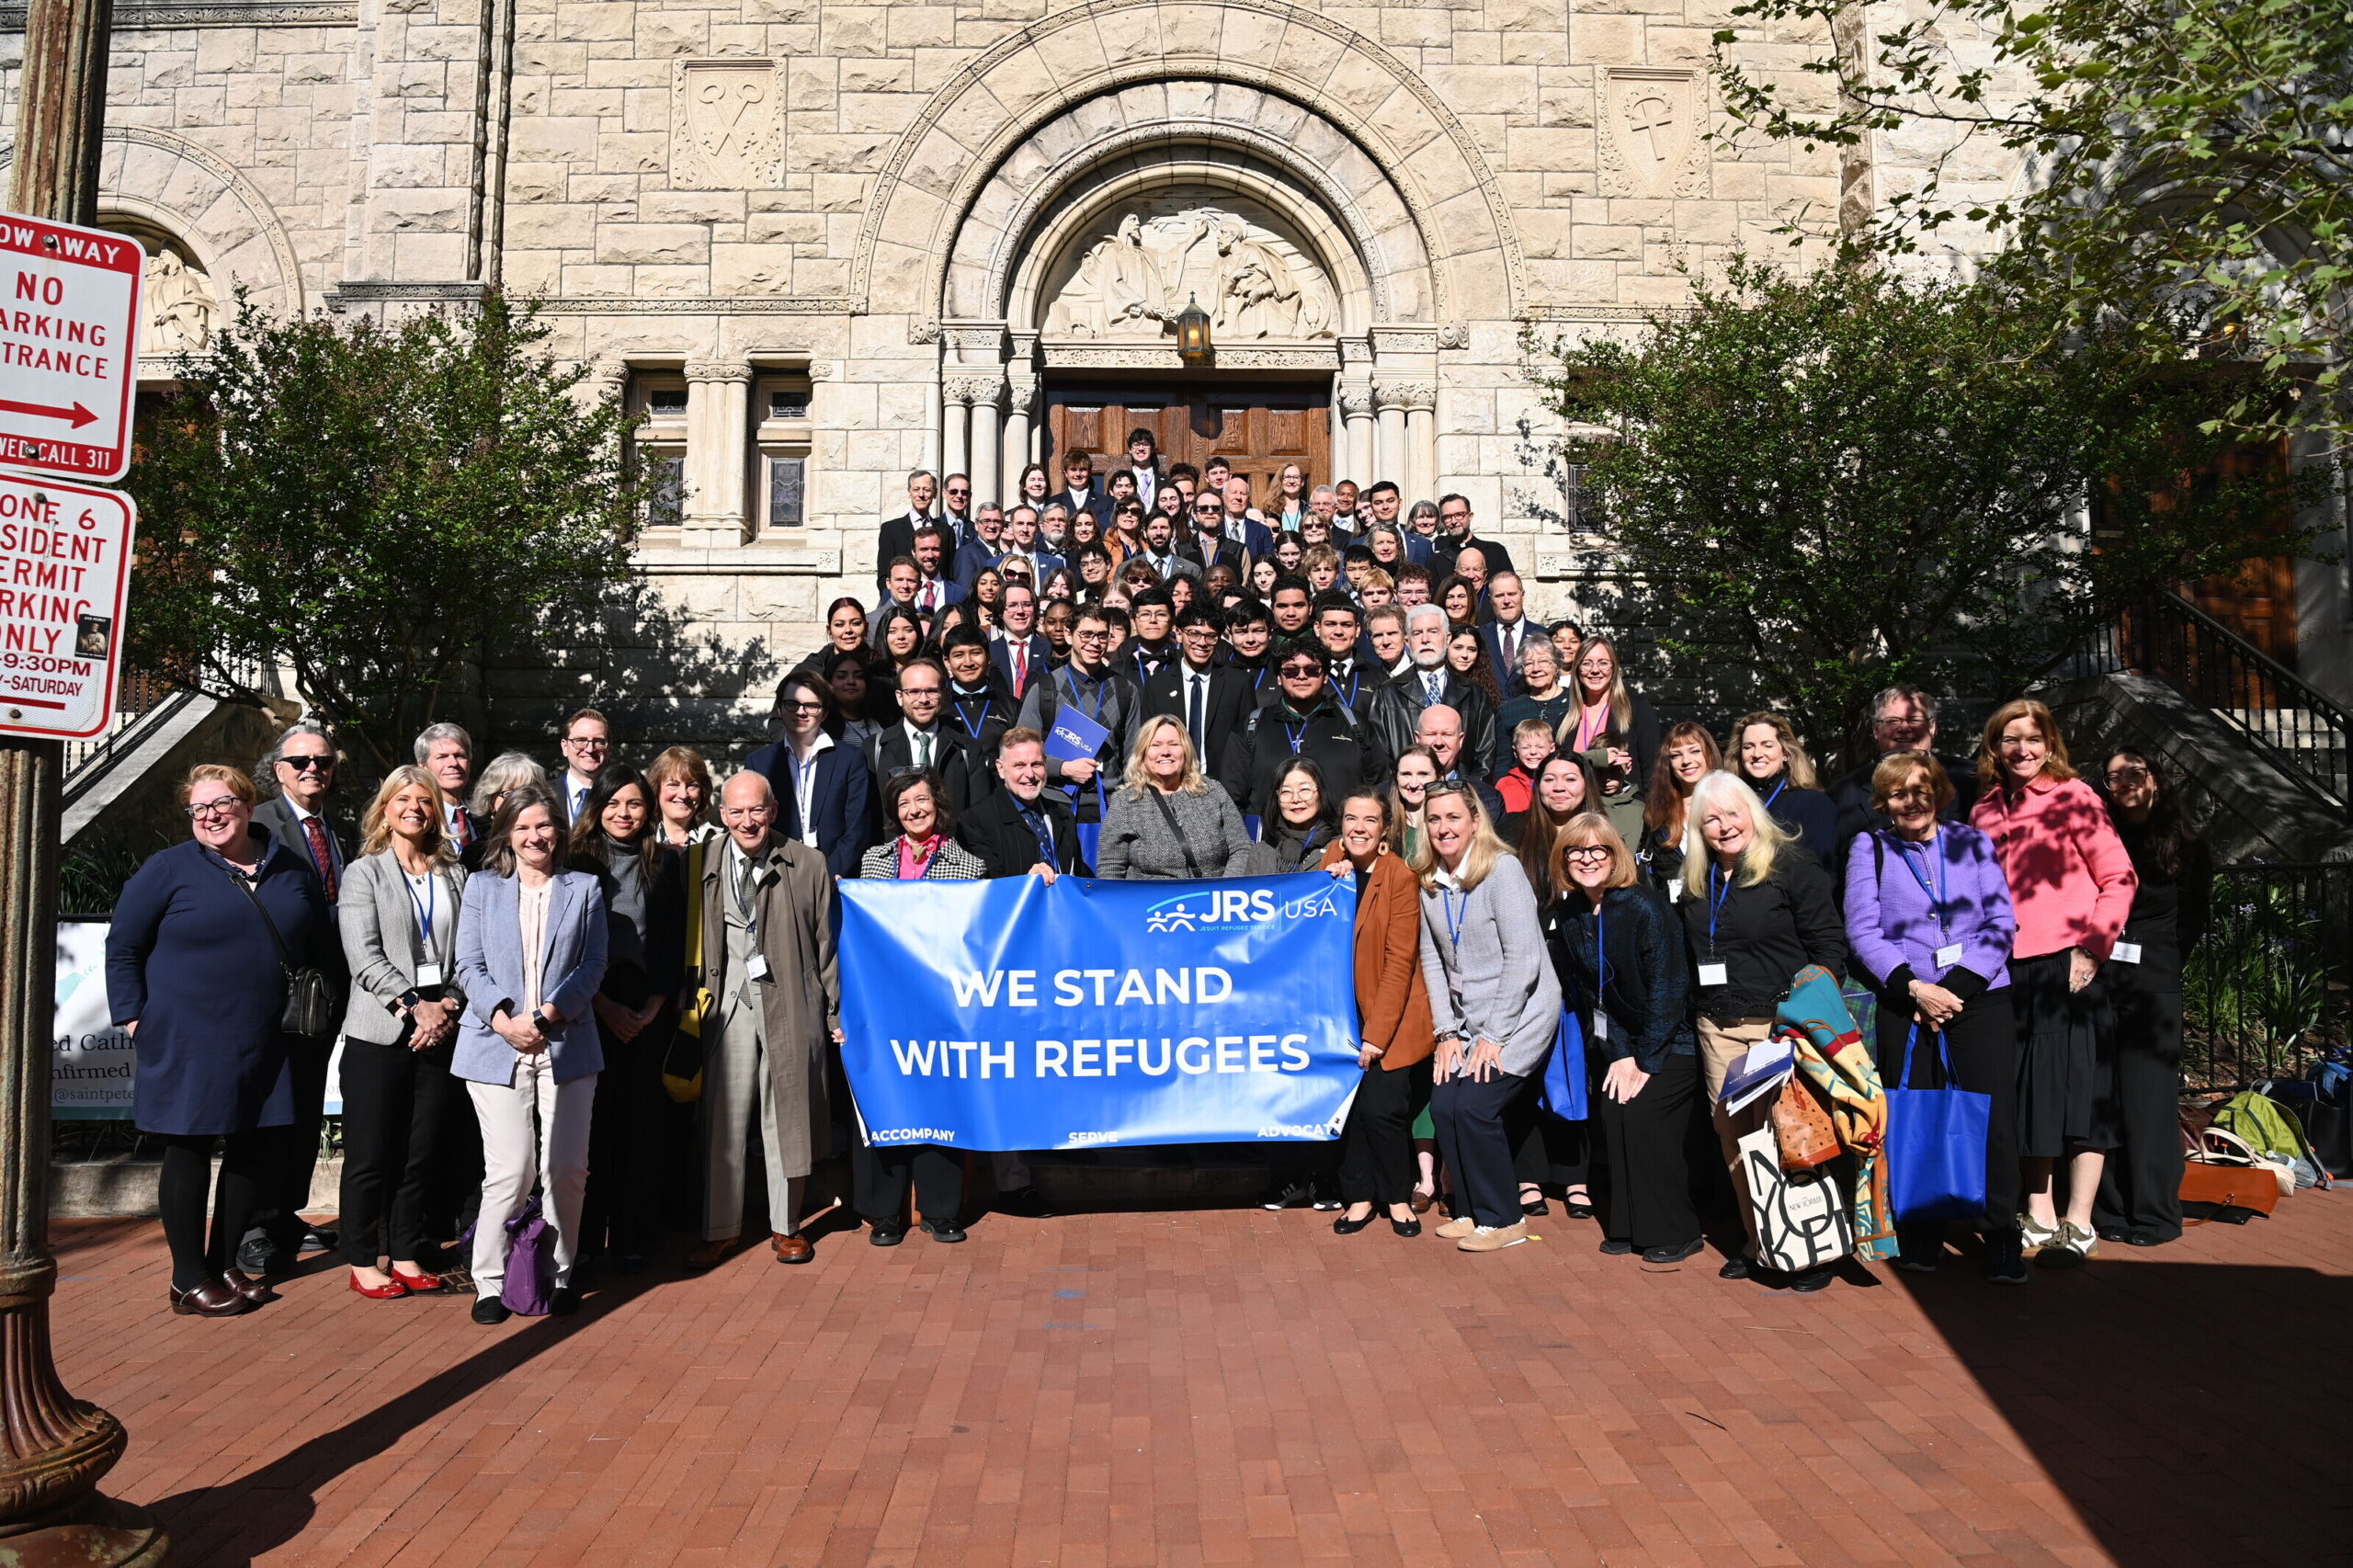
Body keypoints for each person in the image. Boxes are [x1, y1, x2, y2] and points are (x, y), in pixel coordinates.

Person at [108, 765, 341, 1316]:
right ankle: (188, 1278)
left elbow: (315, 942)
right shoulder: (169, 869)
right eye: (199, 808)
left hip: (267, 1034)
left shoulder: (288, 866)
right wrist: (133, 1018)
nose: (211, 815)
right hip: (187, 1036)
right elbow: (123, 946)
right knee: (188, 1147)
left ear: (247, 804)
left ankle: (225, 1262)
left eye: (222, 803)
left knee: (254, 1149)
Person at [1845, 753, 2025, 1282]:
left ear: (1939, 793)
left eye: (1922, 791)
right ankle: (1922, 1234)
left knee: (1991, 1121)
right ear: (1885, 801)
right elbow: (1863, 931)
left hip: (1979, 998)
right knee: (1918, 1117)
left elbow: (2001, 920)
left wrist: (1953, 990)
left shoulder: (1971, 842)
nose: (1912, 802)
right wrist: (1917, 990)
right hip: (1908, 1002)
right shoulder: (1869, 848)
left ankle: (2000, 1235)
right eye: (1899, 794)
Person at [1970, 700, 2137, 1267]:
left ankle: (2079, 1221)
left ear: (2050, 744)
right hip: (2005, 968)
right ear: (1994, 748)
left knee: (2081, 1090)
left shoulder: (2074, 796)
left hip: (2070, 964)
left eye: (2032, 739)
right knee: (2027, 1090)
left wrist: (2092, 947)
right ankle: (2037, 1215)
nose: (2022, 749)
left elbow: (2119, 877)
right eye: (2009, 739)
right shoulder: (1985, 810)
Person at [1681, 770, 1848, 1290]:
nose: (1724, 826)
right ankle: (1762, 1241)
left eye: (1734, 813)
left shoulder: (1790, 866)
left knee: (1790, 1135)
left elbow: (1829, 950)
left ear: (1753, 812)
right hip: (1718, 1028)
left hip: (1779, 1028)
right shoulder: (1698, 877)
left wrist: (1803, 1021)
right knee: (1735, 1141)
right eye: (1711, 819)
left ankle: (1810, 1248)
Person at [451, 783, 607, 1323]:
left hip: (567, 1043)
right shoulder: (481, 888)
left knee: (565, 1168)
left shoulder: (583, 888)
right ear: (507, 835)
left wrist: (545, 1017)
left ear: (558, 830)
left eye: (542, 825)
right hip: (495, 1045)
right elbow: (467, 965)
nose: (534, 836)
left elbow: (593, 966)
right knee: (511, 1169)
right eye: (522, 827)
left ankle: (560, 1272)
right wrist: (505, 1020)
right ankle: (489, 1282)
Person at [687, 772, 844, 1270]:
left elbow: (828, 946)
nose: (746, 821)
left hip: (790, 1004)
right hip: (725, 1005)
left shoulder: (808, 863)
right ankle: (719, 1230)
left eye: (756, 810)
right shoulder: (699, 861)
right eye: (736, 811)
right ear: (720, 814)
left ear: (773, 811)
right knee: (723, 1122)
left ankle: (787, 1227)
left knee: (787, 1118)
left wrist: (834, 1010)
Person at [337, 766, 471, 1300]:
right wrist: (416, 1008)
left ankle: (410, 1250)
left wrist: (450, 1007)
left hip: (442, 1023)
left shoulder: (455, 873)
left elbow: (469, 952)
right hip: (381, 1029)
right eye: (403, 799)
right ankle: (363, 1258)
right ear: (385, 808)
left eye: (425, 799)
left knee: (421, 1152)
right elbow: (363, 956)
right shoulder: (364, 873)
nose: (414, 807)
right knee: (371, 1152)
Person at [1414, 782, 1563, 1252]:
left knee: (1476, 1107)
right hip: (1467, 1021)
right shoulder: (1430, 881)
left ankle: (1505, 1220)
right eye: (1434, 819)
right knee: (1444, 1106)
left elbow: (1524, 959)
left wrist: (1493, 1037)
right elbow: (1432, 959)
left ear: (1475, 821)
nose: (1444, 828)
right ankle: (1471, 1211)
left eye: (1453, 817)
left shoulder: (1503, 870)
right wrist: (1445, 1032)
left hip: (1521, 1016)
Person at [1550, 812, 1702, 1264]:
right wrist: (1618, 1052)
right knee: (1613, 1113)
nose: (1587, 858)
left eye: (1599, 850)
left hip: (1672, 1041)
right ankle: (1629, 1225)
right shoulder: (1572, 911)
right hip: (1622, 1043)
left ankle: (1677, 1229)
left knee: (1642, 1117)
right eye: (1576, 850)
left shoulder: (1643, 907)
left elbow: (1669, 989)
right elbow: (1588, 992)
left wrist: (1644, 1060)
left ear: (1616, 856)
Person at [847, 770, 984, 1240]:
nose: (913, 810)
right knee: (886, 1098)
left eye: (922, 800)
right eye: (903, 804)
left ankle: (941, 1209)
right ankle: (886, 1211)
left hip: (941, 1004)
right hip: (884, 1005)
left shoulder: (968, 866)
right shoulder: (872, 862)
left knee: (939, 1101)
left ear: (938, 804)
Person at [242, 721, 351, 1272]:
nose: (315, 770)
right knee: (270, 1107)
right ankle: (255, 1224)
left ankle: (286, 1213)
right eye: (302, 761)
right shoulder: (261, 822)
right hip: (274, 994)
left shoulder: (333, 828)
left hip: (321, 993)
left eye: (324, 762)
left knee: (305, 1106)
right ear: (279, 768)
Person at [570, 765, 685, 1278]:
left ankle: (634, 1236)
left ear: (649, 810)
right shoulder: (574, 863)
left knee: (642, 1124)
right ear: (598, 808)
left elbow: (674, 940)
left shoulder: (666, 863)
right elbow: (565, 947)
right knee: (593, 1126)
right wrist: (603, 1006)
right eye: (614, 803)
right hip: (589, 1004)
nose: (624, 813)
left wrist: (653, 1007)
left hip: (648, 1004)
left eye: (634, 804)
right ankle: (588, 1236)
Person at [2093, 750, 2211, 1249]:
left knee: (2148, 1100)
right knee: (2104, 1097)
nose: (2125, 783)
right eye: (2114, 776)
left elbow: (2193, 919)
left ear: (2155, 781)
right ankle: (2111, 1208)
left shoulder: (2187, 845)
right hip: (2099, 978)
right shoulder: (2098, 837)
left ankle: (2156, 1213)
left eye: (2135, 773)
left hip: (2153, 980)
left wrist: (2161, 964)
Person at [1309, 787, 1436, 1237]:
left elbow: (1400, 962)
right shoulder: (1331, 862)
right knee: (1352, 1111)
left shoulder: (1399, 876)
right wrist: (1332, 874)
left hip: (1391, 1015)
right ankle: (1359, 1197)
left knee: (1383, 1109)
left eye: (1369, 821)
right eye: (1351, 819)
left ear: (1385, 829)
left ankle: (1398, 1198)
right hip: (1340, 1013)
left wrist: (1377, 1035)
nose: (1359, 828)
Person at [1015, 604, 1144, 849]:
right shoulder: (1044, 690)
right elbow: (1022, 756)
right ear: (1068, 635)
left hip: (1109, 809)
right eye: (1086, 634)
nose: (1095, 643)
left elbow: (1134, 760)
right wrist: (1064, 768)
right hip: (1055, 806)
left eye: (1102, 635)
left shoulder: (1126, 691)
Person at [1222, 642, 1387, 825]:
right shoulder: (1251, 727)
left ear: (1325, 676)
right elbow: (1232, 800)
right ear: (1278, 677)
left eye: (1311, 670)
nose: (1301, 676)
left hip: (1338, 844)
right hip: (1268, 846)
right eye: (1291, 670)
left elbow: (1379, 789)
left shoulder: (1354, 724)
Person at [747, 671, 874, 881]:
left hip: (836, 878)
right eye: (792, 704)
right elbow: (755, 823)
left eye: (811, 705)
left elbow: (858, 828)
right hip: (777, 876)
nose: (801, 712)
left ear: (824, 713)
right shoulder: (759, 763)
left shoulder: (850, 760)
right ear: (780, 708)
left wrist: (828, 874)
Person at [1097, 716, 1257, 879]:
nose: (1165, 752)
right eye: (1155, 745)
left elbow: (1241, 849)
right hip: (1151, 901)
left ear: (1186, 751)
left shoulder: (1213, 792)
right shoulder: (1125, 802)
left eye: (1174, 744)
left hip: (1210, 897)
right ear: (1143, 754)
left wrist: (1223, 891)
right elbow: (1110, 867)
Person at [1830, 685, 1982, 846]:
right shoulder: (1842, 794)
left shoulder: (1973, 779)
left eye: (1914, 720)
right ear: (1876, 731)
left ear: (1932, 727)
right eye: (1892, 721)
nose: (1903, 728)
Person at [1369, 603, 1498, 777]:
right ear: (1407, 641)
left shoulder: (1475, 694)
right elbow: (1380, 760)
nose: (1425, 639)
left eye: (1433, 631)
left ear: (1448, 638)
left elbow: (1485, 756)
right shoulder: (1387, 694)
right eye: (1417, 633)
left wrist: (1468, 794)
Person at [1562, 638, 1657, 849]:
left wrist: (1649, 824)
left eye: (1603, 663)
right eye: (1587, 663)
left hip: (1624, 825)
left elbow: (1652, 772)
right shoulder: (1565, 720)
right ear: (1577, 670)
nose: (1595, 670)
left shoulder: (1637, 710)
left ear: (1614, 669)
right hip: (1577, 824)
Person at [957, 727, 1089, 878]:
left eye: (1036, 764)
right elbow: (986, 886)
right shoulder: (975, 822)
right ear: (1000, 768)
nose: (1030, 774)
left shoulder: (1064, 816)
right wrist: (1026, 882)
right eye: (1019, 765)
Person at [1143, 603, 1254, 782]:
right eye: (1194, 634)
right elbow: (1148, 742)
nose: (1202, 643)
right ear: (1179, 634)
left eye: (1211, 636)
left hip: (1222, 787)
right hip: (1171, 784)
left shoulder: (1238, 683)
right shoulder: (1158, 685)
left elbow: (1248, 744)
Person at [1727, 712, 1841, 869]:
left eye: (1767, 745)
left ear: (1786, 753)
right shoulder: (1731, 804)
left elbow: (1822, 869)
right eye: (1748, 747)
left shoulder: (1813, 803)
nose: (1757, 754)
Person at [864, 654, 976, 812]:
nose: (923, 699)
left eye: (931, 691)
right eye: (914, 691)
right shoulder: (875, 749)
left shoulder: (966, 748)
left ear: (943, 694)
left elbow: (979, 813)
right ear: (900, 697)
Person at [1639, 722, 1719, 894]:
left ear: (1710, 754)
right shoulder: (1657, 812)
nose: (1686, 761)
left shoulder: (1730, 804)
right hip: (1673, 914)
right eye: (1676, 755)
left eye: (1695, 751)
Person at [1515, 753, 1601, 909]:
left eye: (1570, 779)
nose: (1559, 788)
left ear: (1587, 784)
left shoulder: (1603, 834)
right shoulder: (1512, 829)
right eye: (1549, 780)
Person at [1494, 641, 1573, 772]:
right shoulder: (1508, 711)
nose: (1536, 669)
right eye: (1529, 664)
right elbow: (1502, 762)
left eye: (1543, 661)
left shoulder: (1575, 702)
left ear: (1556, 666)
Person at [1253, 756, 1338, 872]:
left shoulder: (1341, 847)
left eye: (1304, 790)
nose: (1296, 799)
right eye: (1286, 791)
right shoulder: (1261, 852)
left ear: (1321, 793)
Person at [416, 722, 486, 861]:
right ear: (423, 766)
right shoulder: (419, 820)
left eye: (460, 756)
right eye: (442, 757)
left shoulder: (481, 821)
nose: (453, 763)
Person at [1475, 573, 1546, 698]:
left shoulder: (1543, 635)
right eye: (1499, 595)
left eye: (1512, 594)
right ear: (1490, 600)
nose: (1507, 601)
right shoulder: (1479, 636)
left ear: (1522, 596)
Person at [875, 468, 938, 589]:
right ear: (909, 493)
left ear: (935, 493)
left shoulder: (945, 530)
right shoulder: (890, 530)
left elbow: (948, 573)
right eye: (916, 489)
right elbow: (884, 575)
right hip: (902, 601)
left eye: (926, 490)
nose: (921, 495)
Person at [646, 745, 718, 849]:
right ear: (656, 789)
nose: (683, 795)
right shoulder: (639, 843)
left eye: (692, 785)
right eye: (673, 784)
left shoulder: (718, 843)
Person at [1431, 493, 1517, 579]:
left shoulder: (1495, 552)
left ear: (1470, 516)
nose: (1454, 521)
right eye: (1447, 517)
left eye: (1459, 515)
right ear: (1442, 521)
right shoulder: (1436, 558)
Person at [552, 708, 611, 824]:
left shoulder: (618, 795)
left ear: (609, 748)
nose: (590, 749)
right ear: (565, 747)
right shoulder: (542, 793)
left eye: (599, 741)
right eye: (580, 740)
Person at [1493, 718, 1555, 824]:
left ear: (1552, 748)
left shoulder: (1559, 782)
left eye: (1540, 746)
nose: (1533, 752)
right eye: (1526, 747)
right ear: (1515, 752)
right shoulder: (1505, 785)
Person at [1390, 744, 1439, 865]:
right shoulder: (1385, 825)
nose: (1413, 784)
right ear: (1396, 778)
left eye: (1423, 774)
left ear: (1439, 777)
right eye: (1406, 774)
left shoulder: (1449, 826)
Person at [471, 751, 547, 822]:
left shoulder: (553, 834)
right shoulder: (474, 835)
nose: (520, 800)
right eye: (509, 793)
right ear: (491, 803)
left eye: (529, 792)